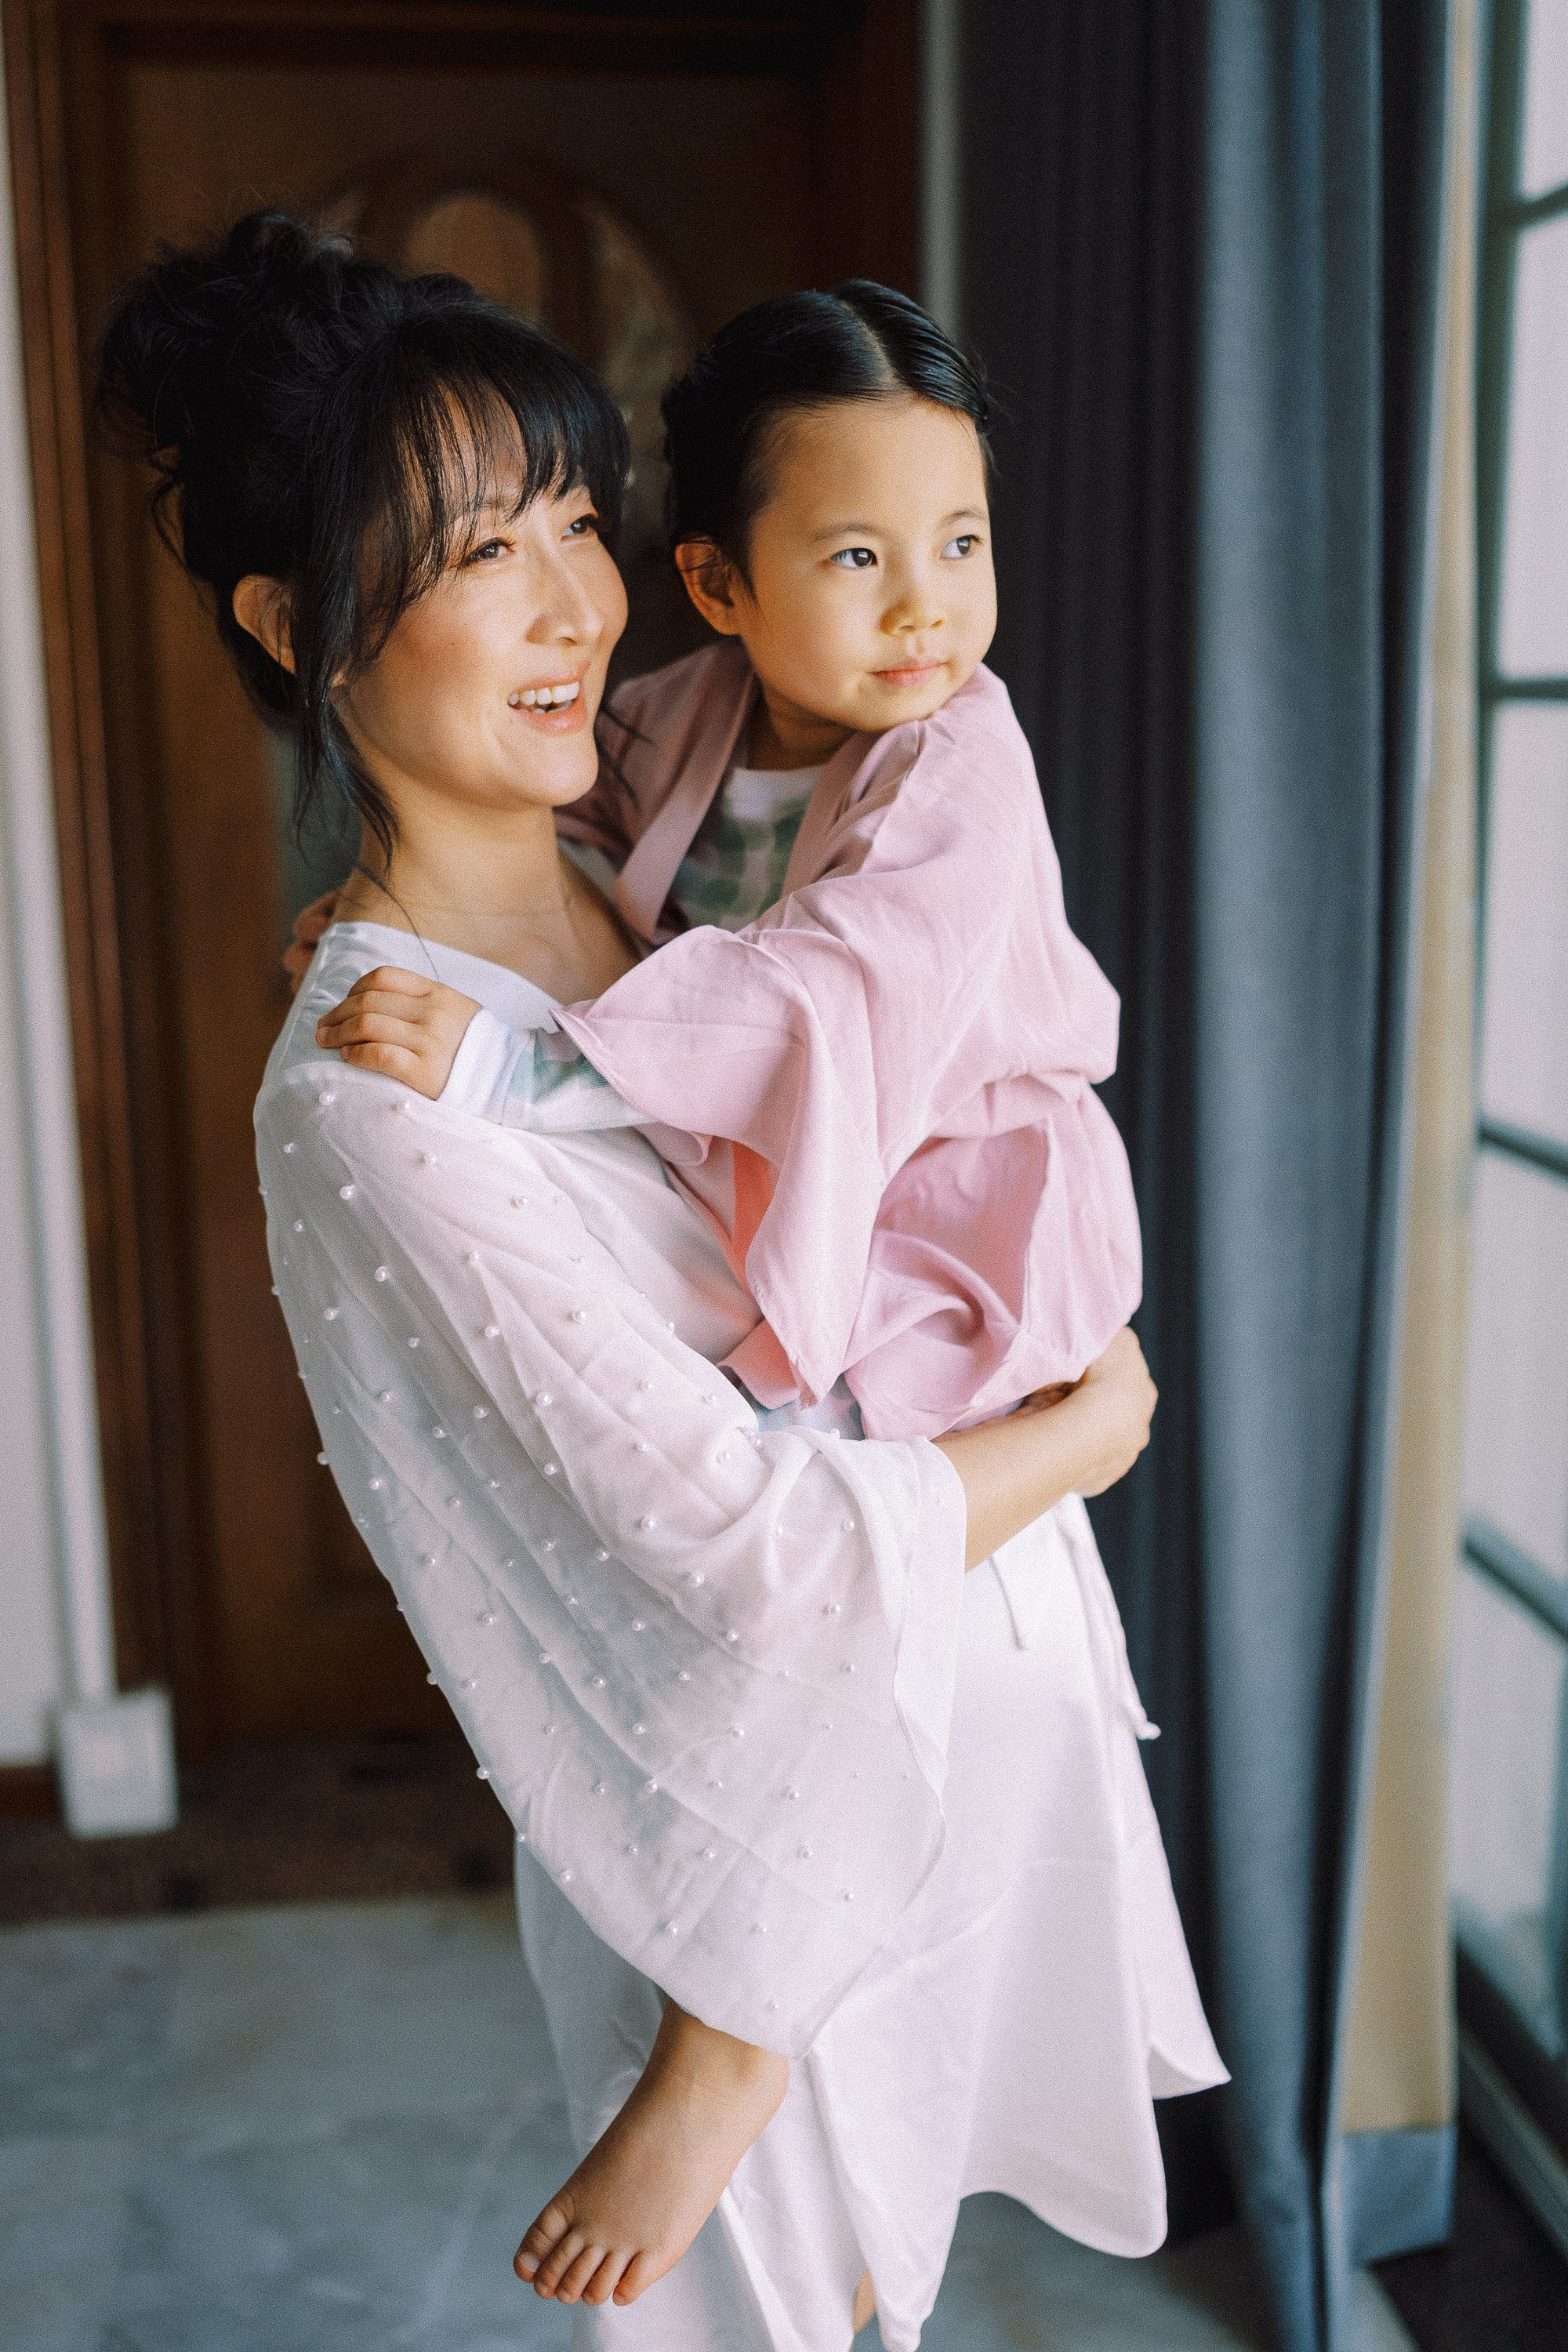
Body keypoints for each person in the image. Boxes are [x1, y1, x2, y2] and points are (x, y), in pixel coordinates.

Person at [100, 213, 1223, 2352]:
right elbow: (759, 1558)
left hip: (943, 1789)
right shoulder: (370, 1094)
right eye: (471, 553)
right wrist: (1085, 1431)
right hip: (749, 1874)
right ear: (298, 623)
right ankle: (722, 2047)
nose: (569, 607)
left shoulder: (656, 876)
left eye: (572, 521)